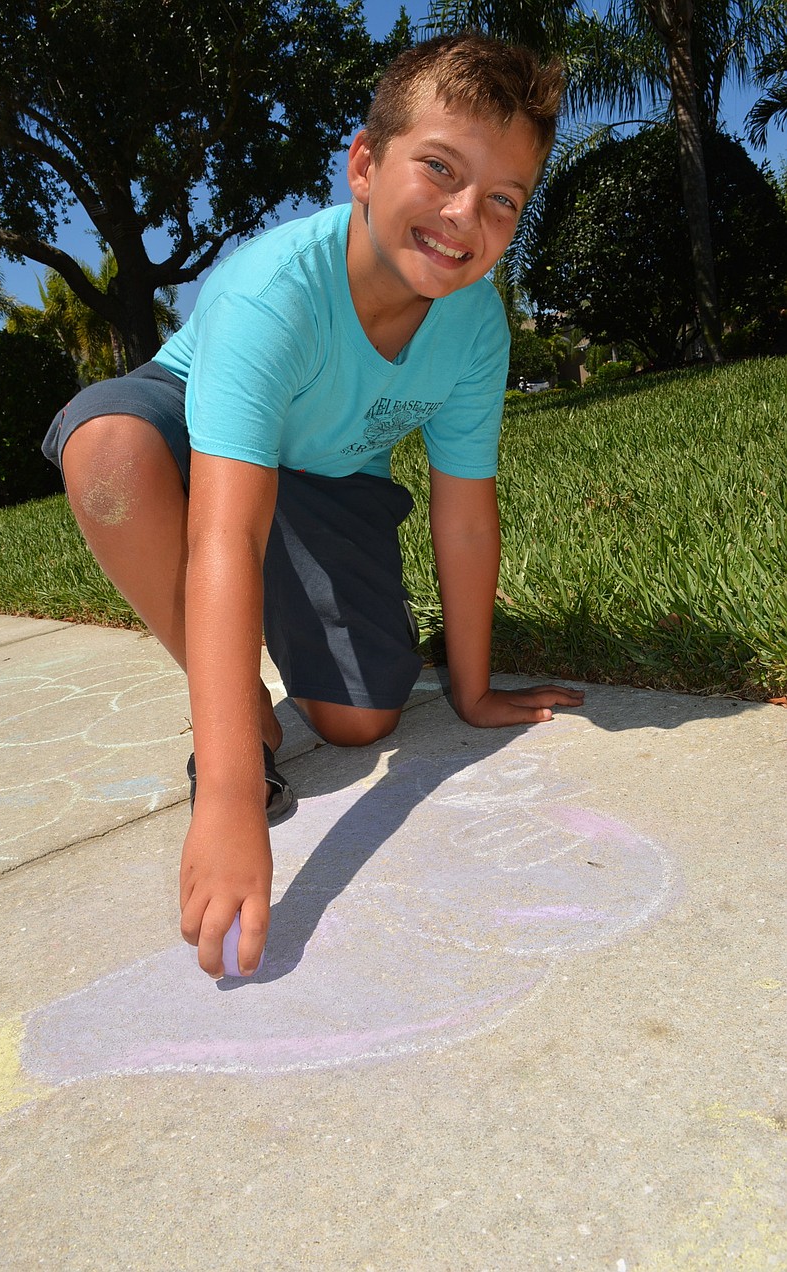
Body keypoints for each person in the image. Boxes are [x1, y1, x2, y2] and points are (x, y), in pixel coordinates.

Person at [43, 33, 584, 981]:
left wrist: (470, 688)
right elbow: (223, 530)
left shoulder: (474, 324)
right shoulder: (269, 296)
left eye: (503, 199)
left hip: (326, 475)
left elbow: (464, 512)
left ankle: (308, 685)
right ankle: (238, 713)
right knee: (110, 451)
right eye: (440, 169)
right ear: (365, 166)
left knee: (361, 720)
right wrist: (230, 796)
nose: (465, 217)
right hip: (201, 438)